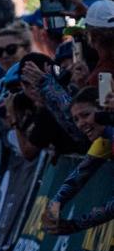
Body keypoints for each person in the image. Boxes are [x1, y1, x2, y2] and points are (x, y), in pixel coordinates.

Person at [42, 87, 114, 234]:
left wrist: (75, 225)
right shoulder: (104, 140)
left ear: (104, 109)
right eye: (76, 119)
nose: (81, 124)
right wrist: (54, 207)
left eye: (86, 115)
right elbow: (77, 177)